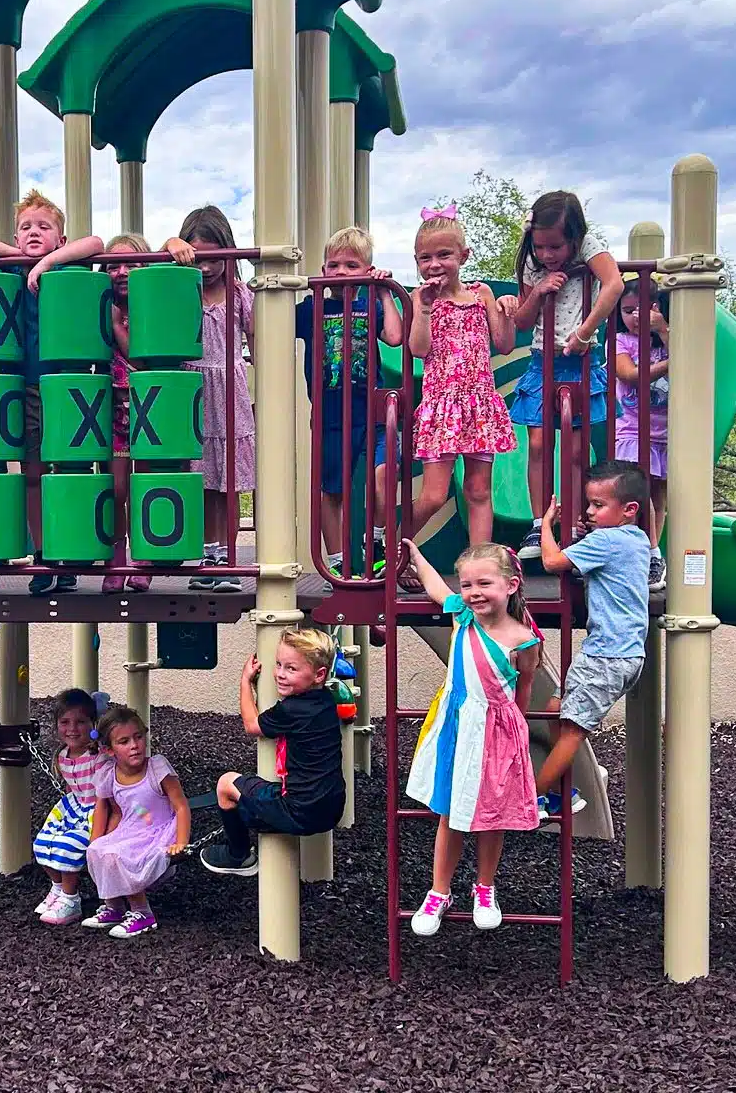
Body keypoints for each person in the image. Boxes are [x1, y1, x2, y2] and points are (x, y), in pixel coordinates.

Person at [0, 190, 105, 595]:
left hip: (65, 386)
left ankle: (70, 554)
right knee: (31, 474)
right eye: (26, 227)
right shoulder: (9, 269)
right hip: (19, 387)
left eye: (44, 227)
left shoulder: (63, 268)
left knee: (71, 472)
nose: (33, 232)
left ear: (60, 239)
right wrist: (21, 257)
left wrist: (45, 263)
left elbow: (94, 243)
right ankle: (43, 554)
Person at [403, 539, 541, 934]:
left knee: (490, 815)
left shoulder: (523, 638)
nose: (474, 593)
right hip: (458, 726)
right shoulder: (462, 616)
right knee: (451, 811)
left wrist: (516, 733)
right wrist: (416, 557)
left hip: (497, 732)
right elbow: (435, 588)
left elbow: (523, 690)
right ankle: (439, 891)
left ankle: (485, 886)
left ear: (511, 585)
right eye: (467, 585)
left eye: (484, 583)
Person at [499, 190, 622, 562]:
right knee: (538, 445)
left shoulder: (588, 246)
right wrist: (537, 291)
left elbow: (614, 284)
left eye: (556, 246)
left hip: (580, 362)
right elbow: (521, 321)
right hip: (542, 361)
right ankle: (540, 522)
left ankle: (573, 521)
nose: (548, 255)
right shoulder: (531, 262)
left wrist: (585, 332)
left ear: (574, 237)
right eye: (541, 247)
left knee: (573, 449)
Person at [533, 461, 652, 816]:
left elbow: (553, 562)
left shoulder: (605, 540)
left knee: (570, 730)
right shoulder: (636, 538)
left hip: (606, 655)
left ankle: (530, 801)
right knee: (555, 712)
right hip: (623, 654)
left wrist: (546, 525)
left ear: (629, 510)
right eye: (590, 504)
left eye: (598, 506)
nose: (589, 511)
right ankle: (575, 779)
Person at [407, 205, 515, 557]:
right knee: (435, 494)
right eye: (425, 258)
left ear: (463, 256)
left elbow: (504, 343)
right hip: (442, 406)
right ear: (417, 261)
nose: (434, 264)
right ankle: (392, 546)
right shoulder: (420, 299)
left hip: (480, 405)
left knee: (480, 491)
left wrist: (507, 310)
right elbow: (418, 349)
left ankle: (480, 564)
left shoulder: (480, 293)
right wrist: (423, 307)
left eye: (444, 255)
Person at [295, 225, 403, 573]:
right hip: (330, 415)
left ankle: (376, 539)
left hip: (371, 411)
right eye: (333, 265)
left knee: (385, 476)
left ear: (367, 271)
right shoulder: (312, 306)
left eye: (351, 265)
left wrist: (385, 291)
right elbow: (272, 323)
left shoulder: (370, 301)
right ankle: (340, 562)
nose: (340, 272)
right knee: (334, 490)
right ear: (323, 270)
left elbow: (395, 337)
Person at [199, 626, 347, 876]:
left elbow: (252, 725)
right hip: (332, 808)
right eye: (278, 664)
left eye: (291, 668)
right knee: (256, 795)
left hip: (299, 811)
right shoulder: (325, 701)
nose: (280, 674)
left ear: (319, 674)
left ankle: (240, 856)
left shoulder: (291, 710)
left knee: (226, 784)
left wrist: (245, 681)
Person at [160, 206, 255, 592]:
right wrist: (170, 244)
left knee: (226, 483)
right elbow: (154, 274)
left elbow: (257, 335)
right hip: (191, 390)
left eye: (215, 257)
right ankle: (204, 554)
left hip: (228, 391)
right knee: (198, 478)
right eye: (197, 257)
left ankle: (226, 556)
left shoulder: (237, 293)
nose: (206, 267)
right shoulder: (181, 287)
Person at [82, 706, 191, 939]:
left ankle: (143, 912)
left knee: (120, 854)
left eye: (138, 737)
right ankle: (114, 908)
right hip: (131, 829)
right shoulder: (108, 774)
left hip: (158, 831)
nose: (134, 745)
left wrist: (182, 841)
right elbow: (106, 809)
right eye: (124, 741)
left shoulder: (157, 768)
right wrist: (97, 839)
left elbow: (181, 806)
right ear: (109, 750)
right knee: (98, 850)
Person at [31, 688, 115, 926]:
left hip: (96, 808)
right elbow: (71, 788)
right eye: (65, 722)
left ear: (93, 724)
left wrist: (103, 829)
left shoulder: (98, 756)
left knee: (70, 845)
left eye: (80, 722)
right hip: (73, 806)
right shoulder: (62, 755)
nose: (72, 729)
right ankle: (57, 888)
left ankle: (71, 898)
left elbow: (105, 793)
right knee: (43, 842)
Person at [102, 232, 152, 593]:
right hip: (113, 409)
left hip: (149, 406)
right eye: (112, 266)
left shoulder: (150, 308)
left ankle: (145, 556)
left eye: (130, 265)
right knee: (116, 486)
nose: (120, 272)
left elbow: (140, 358)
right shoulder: (99, 305)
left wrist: (119, 326)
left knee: (143, 482)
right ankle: (116, 557)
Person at [611, 285, 671, 589]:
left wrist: (663, 331)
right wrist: (671, 363)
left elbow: (691, 357)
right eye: (627, 310)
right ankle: (649, 550)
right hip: (633, 430)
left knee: (659, 496)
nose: (635, 316)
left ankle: (653, 555)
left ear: (658, 307)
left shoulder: (668, 338)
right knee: (641, 490)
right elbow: (629, 374)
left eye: (642, 309)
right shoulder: (621, 341)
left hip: (667, 432)